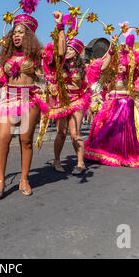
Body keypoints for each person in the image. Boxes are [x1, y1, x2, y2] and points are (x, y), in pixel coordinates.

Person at [0, 9, 64, 199]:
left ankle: (24, 179)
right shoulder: (6, 58)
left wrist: (60, 26)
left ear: (29, 35)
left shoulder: (36, 55)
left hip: (29, 100)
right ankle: (1, 181)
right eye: (14, 32)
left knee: (25, 141)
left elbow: (59, 53)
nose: (16, 35)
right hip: (8, 101)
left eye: (21, 32)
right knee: (3, 140)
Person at [46, 23, 117, 174]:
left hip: (77, 100)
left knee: (74, 133)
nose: (68, 51)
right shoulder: (60, 65)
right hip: (61, 101)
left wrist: (111, 50)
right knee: (61, 133)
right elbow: (49, 69)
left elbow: (102, 67)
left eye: (71, 49)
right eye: (67, 49)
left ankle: (80, 163)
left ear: (77, 52)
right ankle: (57, 161)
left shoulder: (83, 68)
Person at [84, 33, 139, 168]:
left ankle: (118, 152)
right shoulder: (111, 77)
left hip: (123, 105)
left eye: (123, 65)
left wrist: (127, 51)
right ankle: (101, 151)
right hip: (110, 104)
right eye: (119, 65)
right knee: (103, 128)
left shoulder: (130, 76)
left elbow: (134, 65)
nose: (121, 67)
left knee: (118, 130)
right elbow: (104, 85)